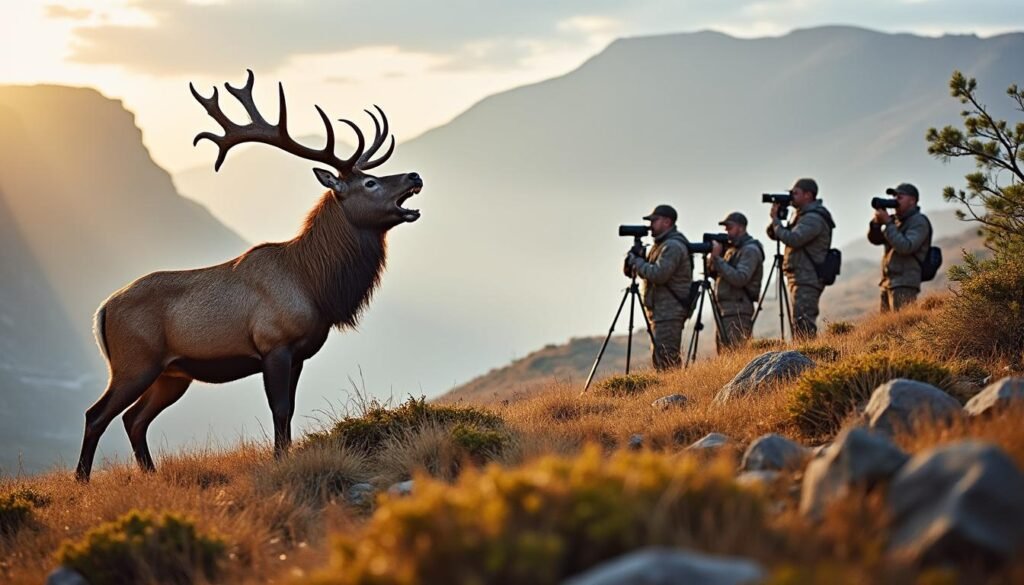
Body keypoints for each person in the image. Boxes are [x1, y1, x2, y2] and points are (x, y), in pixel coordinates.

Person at [625, 204, 693, 370]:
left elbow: (659, 274)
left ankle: (673, 394)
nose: (650, 225)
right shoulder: (661, 246)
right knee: (660, 358)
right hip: (661, 311)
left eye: (654, 221)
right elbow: (642, 273)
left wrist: (638, 261)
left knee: (667, 361)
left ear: (667, 222)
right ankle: (668, 393)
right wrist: (635, 258)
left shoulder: (673, 246)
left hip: (669, 311)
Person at [766, 178, 835, 339]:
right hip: (800, 276)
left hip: (808, 277)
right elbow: (773, 235)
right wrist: (777, 218)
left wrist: (777, 222)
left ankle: (808, 360)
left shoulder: (814, 218)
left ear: (808, 195)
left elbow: (793, 239)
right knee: (799, 323)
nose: (791, 196)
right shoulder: (801, 216)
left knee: (803, 324)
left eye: (795, 193)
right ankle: (803, 358)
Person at [867, 182, 931, 312]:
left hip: (905, 282)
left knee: (903, 328)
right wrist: (876, 224)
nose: (895, 200)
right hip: (888, 282)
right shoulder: (896, 221)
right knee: (886, 330)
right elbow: (875, 240)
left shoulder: (919, 221)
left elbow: (906, 247)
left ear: (912, 200)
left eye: (900, 197)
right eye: (894, 197)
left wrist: (888, 224)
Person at [707, 212, 764, 351]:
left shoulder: (750, 250)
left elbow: (740, 278)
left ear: (741, 228)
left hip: (738, 309)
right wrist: (714, 258)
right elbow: (714, 274)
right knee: (725, 357)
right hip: (726, 310)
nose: (726, 231)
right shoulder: (731, 250)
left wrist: (718, 260)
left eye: (729, 227)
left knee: (736, 352)